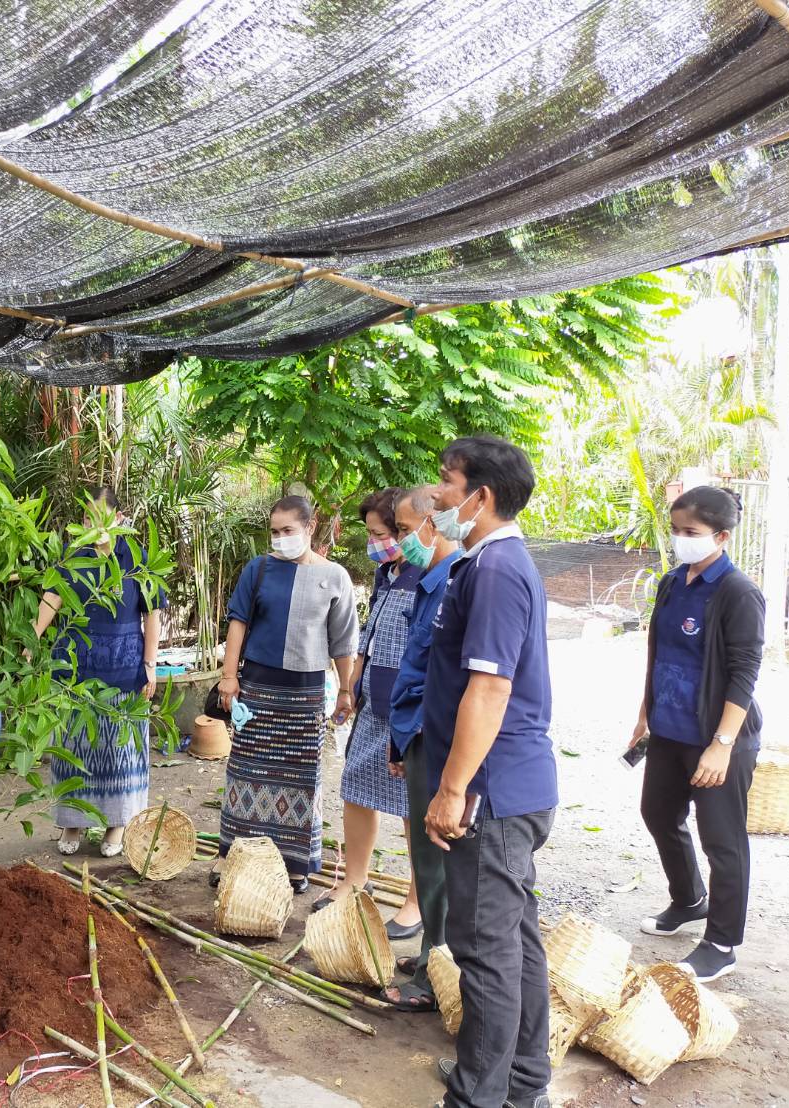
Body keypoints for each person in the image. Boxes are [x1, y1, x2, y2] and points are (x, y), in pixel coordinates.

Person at [422, 436, 556, 1108]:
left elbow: (489, 690)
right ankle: (523, 1081)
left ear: (481, 495)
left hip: (492, 796)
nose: (437, 496)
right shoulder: (481, 565)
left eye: (446, 481)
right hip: (508, 791)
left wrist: (452, 790)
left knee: (484, 953)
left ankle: (478, 1097)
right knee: (514, 941)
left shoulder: (498, 570)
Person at [632, 486, 763, 983]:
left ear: (722, 536)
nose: (680, 540)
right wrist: (644, 713)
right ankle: (689, 899)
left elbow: (744, 672)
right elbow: (660, 651)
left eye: (691, 533)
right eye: (676, 531)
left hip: (718, 737)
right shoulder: (672, 583)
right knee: (658, 812)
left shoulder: (737, 592)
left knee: (723, 842)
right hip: (669, 729)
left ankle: (723, 943)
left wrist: (722, 745)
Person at [215, 495, 359, 893]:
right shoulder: (258, 569)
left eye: (288, 531)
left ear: (310, 528)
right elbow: (237, 623)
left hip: (306, 696)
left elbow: (343, 643)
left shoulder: (336, 577)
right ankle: (232, 856)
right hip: (258, 690)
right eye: (275, 532)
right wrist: (230, 677)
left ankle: (294, 865)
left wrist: (346, 691)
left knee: (301, 780)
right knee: (245, 774)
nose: (280, 539)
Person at [32, 487, 165, 857]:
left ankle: (116, 825)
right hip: (74, 670)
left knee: (119, 750)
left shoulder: (136, 558)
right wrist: (32, 638)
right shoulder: (75, 555)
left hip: (124, 671)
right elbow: (53, 598)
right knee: (75, 747)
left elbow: (152, 613)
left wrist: (150, 666)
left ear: (119, 519)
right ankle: (73, 822)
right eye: (88, 517)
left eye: (101, 516)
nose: (93, 523)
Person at [322, 488, 423, 930]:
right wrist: (350, 688)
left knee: (410, 804)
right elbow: (369, 635)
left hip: (409, 706)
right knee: (355, 786)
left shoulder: (431, 574)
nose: (376, 541)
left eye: (383, 532)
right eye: (373, 534)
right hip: (372, 702)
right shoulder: (387, 572)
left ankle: (418, 902)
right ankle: (354, 881)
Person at [383, 486, 461, 1013]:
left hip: (437, 740)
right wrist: (398, 737)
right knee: (422, 855)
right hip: (416, 734)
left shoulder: (457, 582)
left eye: (408, 531)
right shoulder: (430, 583)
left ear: (434, 525)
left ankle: (441, 974)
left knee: (438, 864)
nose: (402, 542)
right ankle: (433, 951)